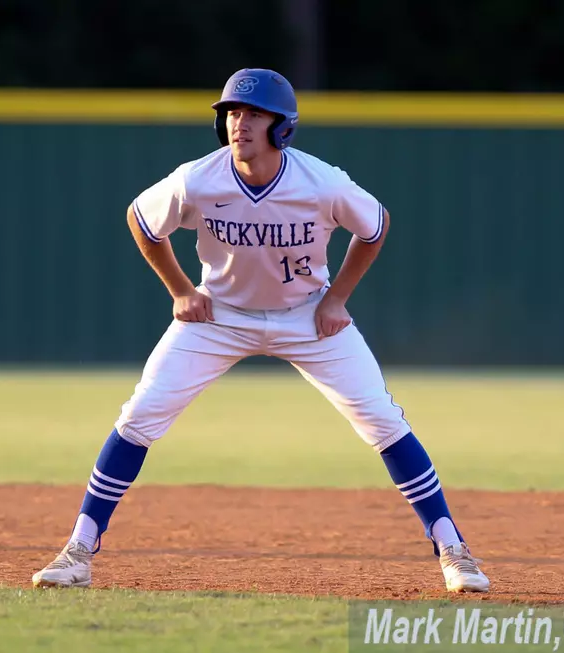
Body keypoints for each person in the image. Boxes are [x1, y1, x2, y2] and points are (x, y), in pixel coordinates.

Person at [31, 68, 490, 593]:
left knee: (383, 421)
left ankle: (453, 550)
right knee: (139, 416)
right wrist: (181, 289)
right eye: (231, 112)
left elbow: (375, 226)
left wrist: (337, 298)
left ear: (283, 126)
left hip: (306, 315)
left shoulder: (320, 181)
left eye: (253, 113)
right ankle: (78, 551)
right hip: (220, 315)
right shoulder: (198, 178)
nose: (238, 123)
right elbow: (141, 219)